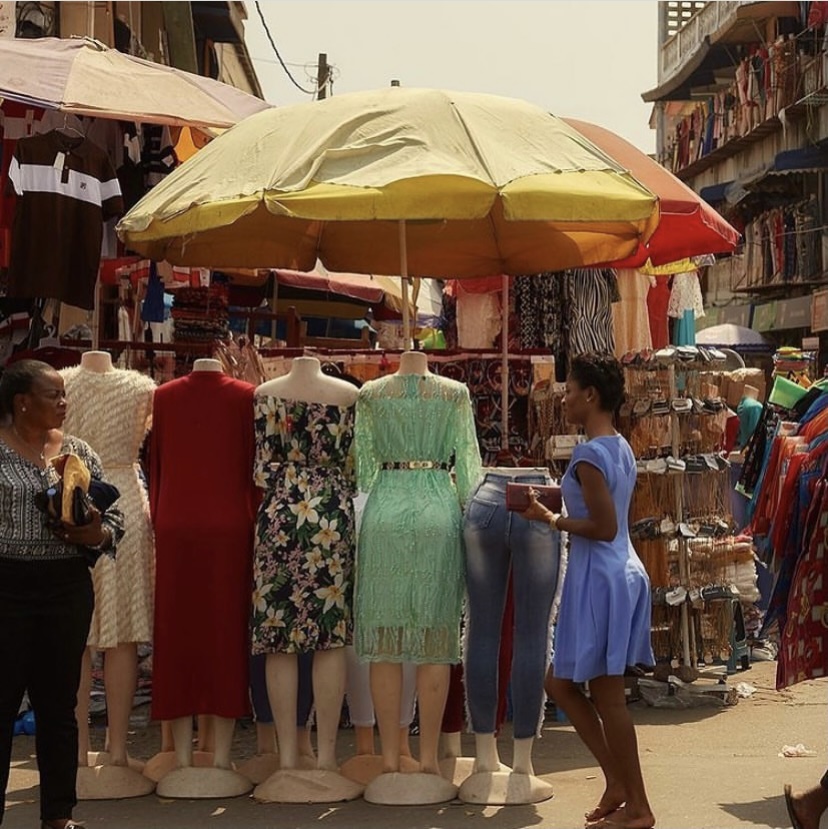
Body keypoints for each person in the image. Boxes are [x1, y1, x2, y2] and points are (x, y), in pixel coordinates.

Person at [520, 352, 655, 829]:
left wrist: (550, 518)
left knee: (608, 698)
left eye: (571, 389)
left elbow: (601, 524)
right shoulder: (617, 446)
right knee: (559, 683)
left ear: (591, 395)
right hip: (617, 571)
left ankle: (638, 806)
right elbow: (602, 508)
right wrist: (557, 501)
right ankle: (618, 781)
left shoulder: (587, 454)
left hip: (600, 577)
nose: (566, 397)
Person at [0, 359, 124, 829]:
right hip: (6, 588)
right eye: (53, 395)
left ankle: (58, 816)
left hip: (65, 588)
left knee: (59, 705)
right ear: (22, 402)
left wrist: (95, 533)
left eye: (63, 394)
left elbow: (114, 521)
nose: (63, 402)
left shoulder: (78, 451)